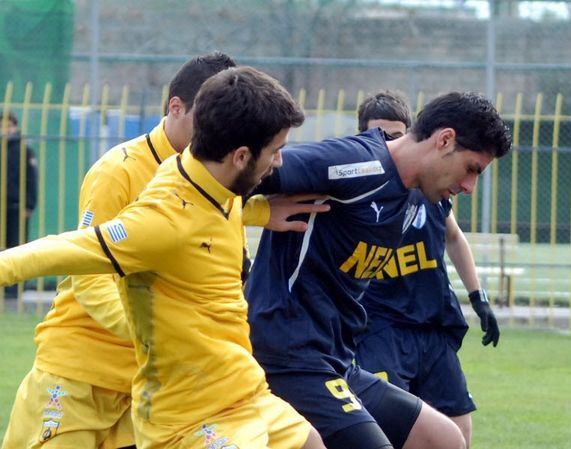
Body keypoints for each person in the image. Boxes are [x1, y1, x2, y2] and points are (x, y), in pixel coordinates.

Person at [1, 58, 327, 449]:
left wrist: (257, 212)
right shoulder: (133, 184)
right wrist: (153, 333)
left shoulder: (211, 181)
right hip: (83, 371)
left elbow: (202, 227)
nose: (279, 162)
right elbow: (81, 263)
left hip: (165, 381)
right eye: (275, 151)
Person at [244, 91, 512, 449]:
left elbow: (452, 237)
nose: (469, 187)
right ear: (444, 140)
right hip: (287, 357)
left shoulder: (416, 192)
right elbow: (226, 175)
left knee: (444, 439)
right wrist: (258, 213)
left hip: (336, 362)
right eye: (471, 169)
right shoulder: (354, 163)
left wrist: (477, 297)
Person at [353, 90, 500, 448]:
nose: (388, 141)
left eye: (395, 133)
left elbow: (454, 238)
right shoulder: (358, 191)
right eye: (379, 134)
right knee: (392, 430)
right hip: (381, 329)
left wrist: (478, 297)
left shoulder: (434, 190)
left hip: (432, 326)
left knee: (458, 433)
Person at [0, 111, 38, 297]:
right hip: (1, 206)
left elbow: (32, 179)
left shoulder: (23, 149)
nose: (6, 130)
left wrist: (29, 205)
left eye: (9, 126)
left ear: (15, 127)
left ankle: (16, 287)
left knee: (17, 246)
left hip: (17, 206)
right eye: (3, 126)